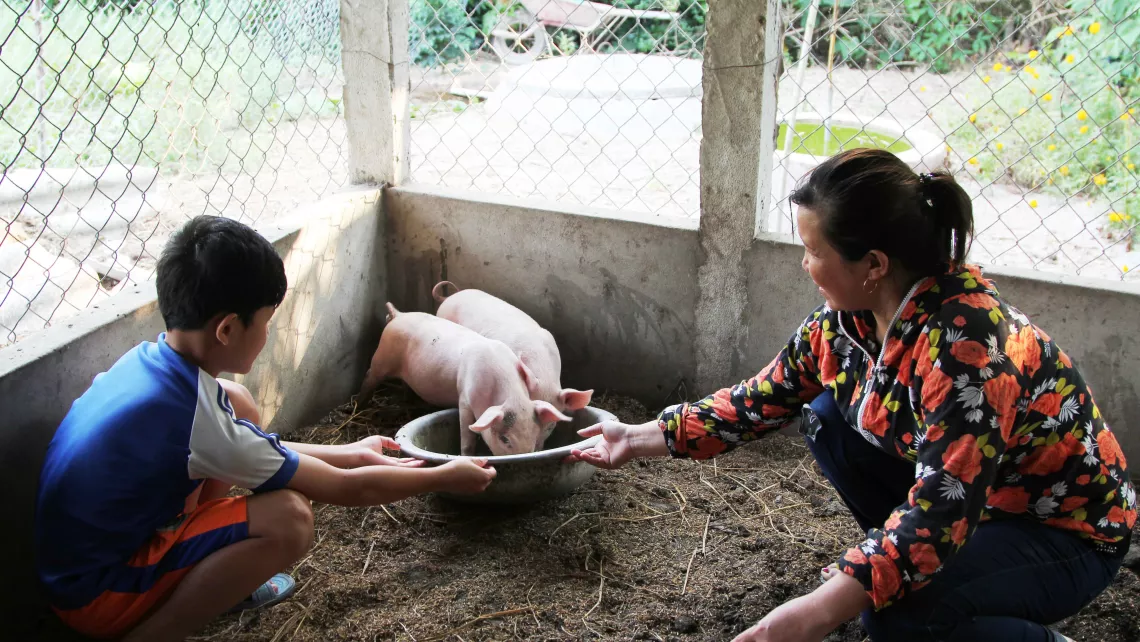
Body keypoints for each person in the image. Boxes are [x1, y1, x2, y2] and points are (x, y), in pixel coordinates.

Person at [568, 149, 1135, 642]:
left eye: (814, 250)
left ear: (873, 266)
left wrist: (814, 613)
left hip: (1061, 528)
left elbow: (941, 511)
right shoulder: (848, 322)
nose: (804, 263)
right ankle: (900, 565)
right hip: (977, 506)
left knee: (900, 623)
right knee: (828, 419)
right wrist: (634, 437)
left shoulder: (968, 352)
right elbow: (760, 399)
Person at [35, 215, 497, 641]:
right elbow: (345, 490)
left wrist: (354, 450)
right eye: (268, 321)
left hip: (84, 562)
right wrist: (442, 474)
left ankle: (213, 576)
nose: (270, 334)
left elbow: (254, 447)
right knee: (289, 519)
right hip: (100, 592)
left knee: (238, 403)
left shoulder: (156, 367)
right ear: (228, 330)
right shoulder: (194, 419)